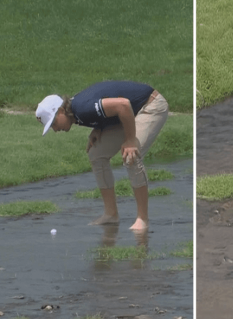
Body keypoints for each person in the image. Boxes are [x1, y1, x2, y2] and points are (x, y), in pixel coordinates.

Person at [35, 80, 168, 231]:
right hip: (129, 112)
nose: (55, 129)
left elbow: (123, 105)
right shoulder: (75, 112)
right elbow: (106, 108)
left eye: (53, 123)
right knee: (96, 153)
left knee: (131, 156)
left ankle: (142, 220)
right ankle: (111, 214)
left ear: (60, 111)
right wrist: (98, 128)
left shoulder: (82, 108)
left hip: (150, 106)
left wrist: (130, 140)